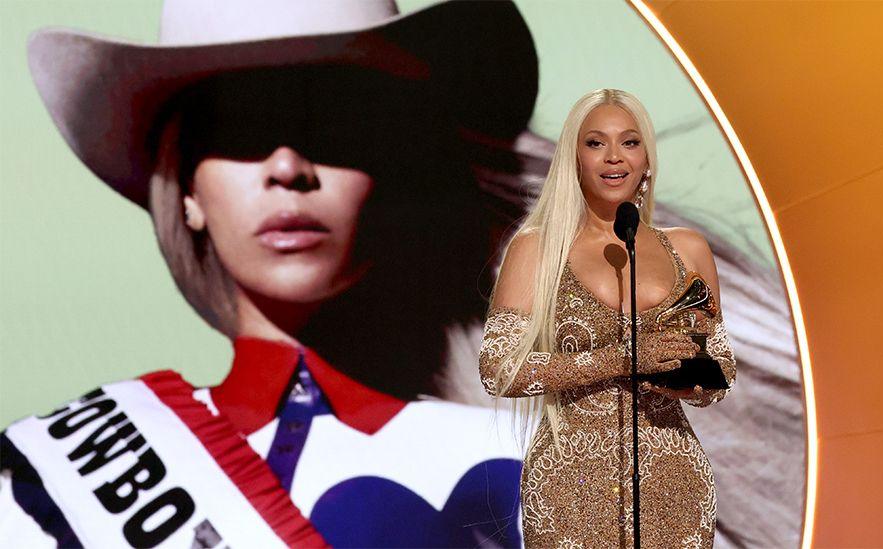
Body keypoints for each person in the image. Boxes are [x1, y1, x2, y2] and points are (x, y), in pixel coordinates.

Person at [1, 1, 537, 546]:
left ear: (394, 173)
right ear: (188, 189)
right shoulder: (50, 481)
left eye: (332, 124)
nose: (288, 169)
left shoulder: (536, 464)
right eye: (242, 127)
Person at [479, 88, 738, 548]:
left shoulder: (689, 248)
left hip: (674, 487)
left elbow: (721, 368)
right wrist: (621, 359)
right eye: (595, 143)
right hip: (569, 488)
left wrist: (688, 379)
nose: (614, 157)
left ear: (647, 159)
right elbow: (499, 368)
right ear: (573, 159)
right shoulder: (537, 248)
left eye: (630, 142)